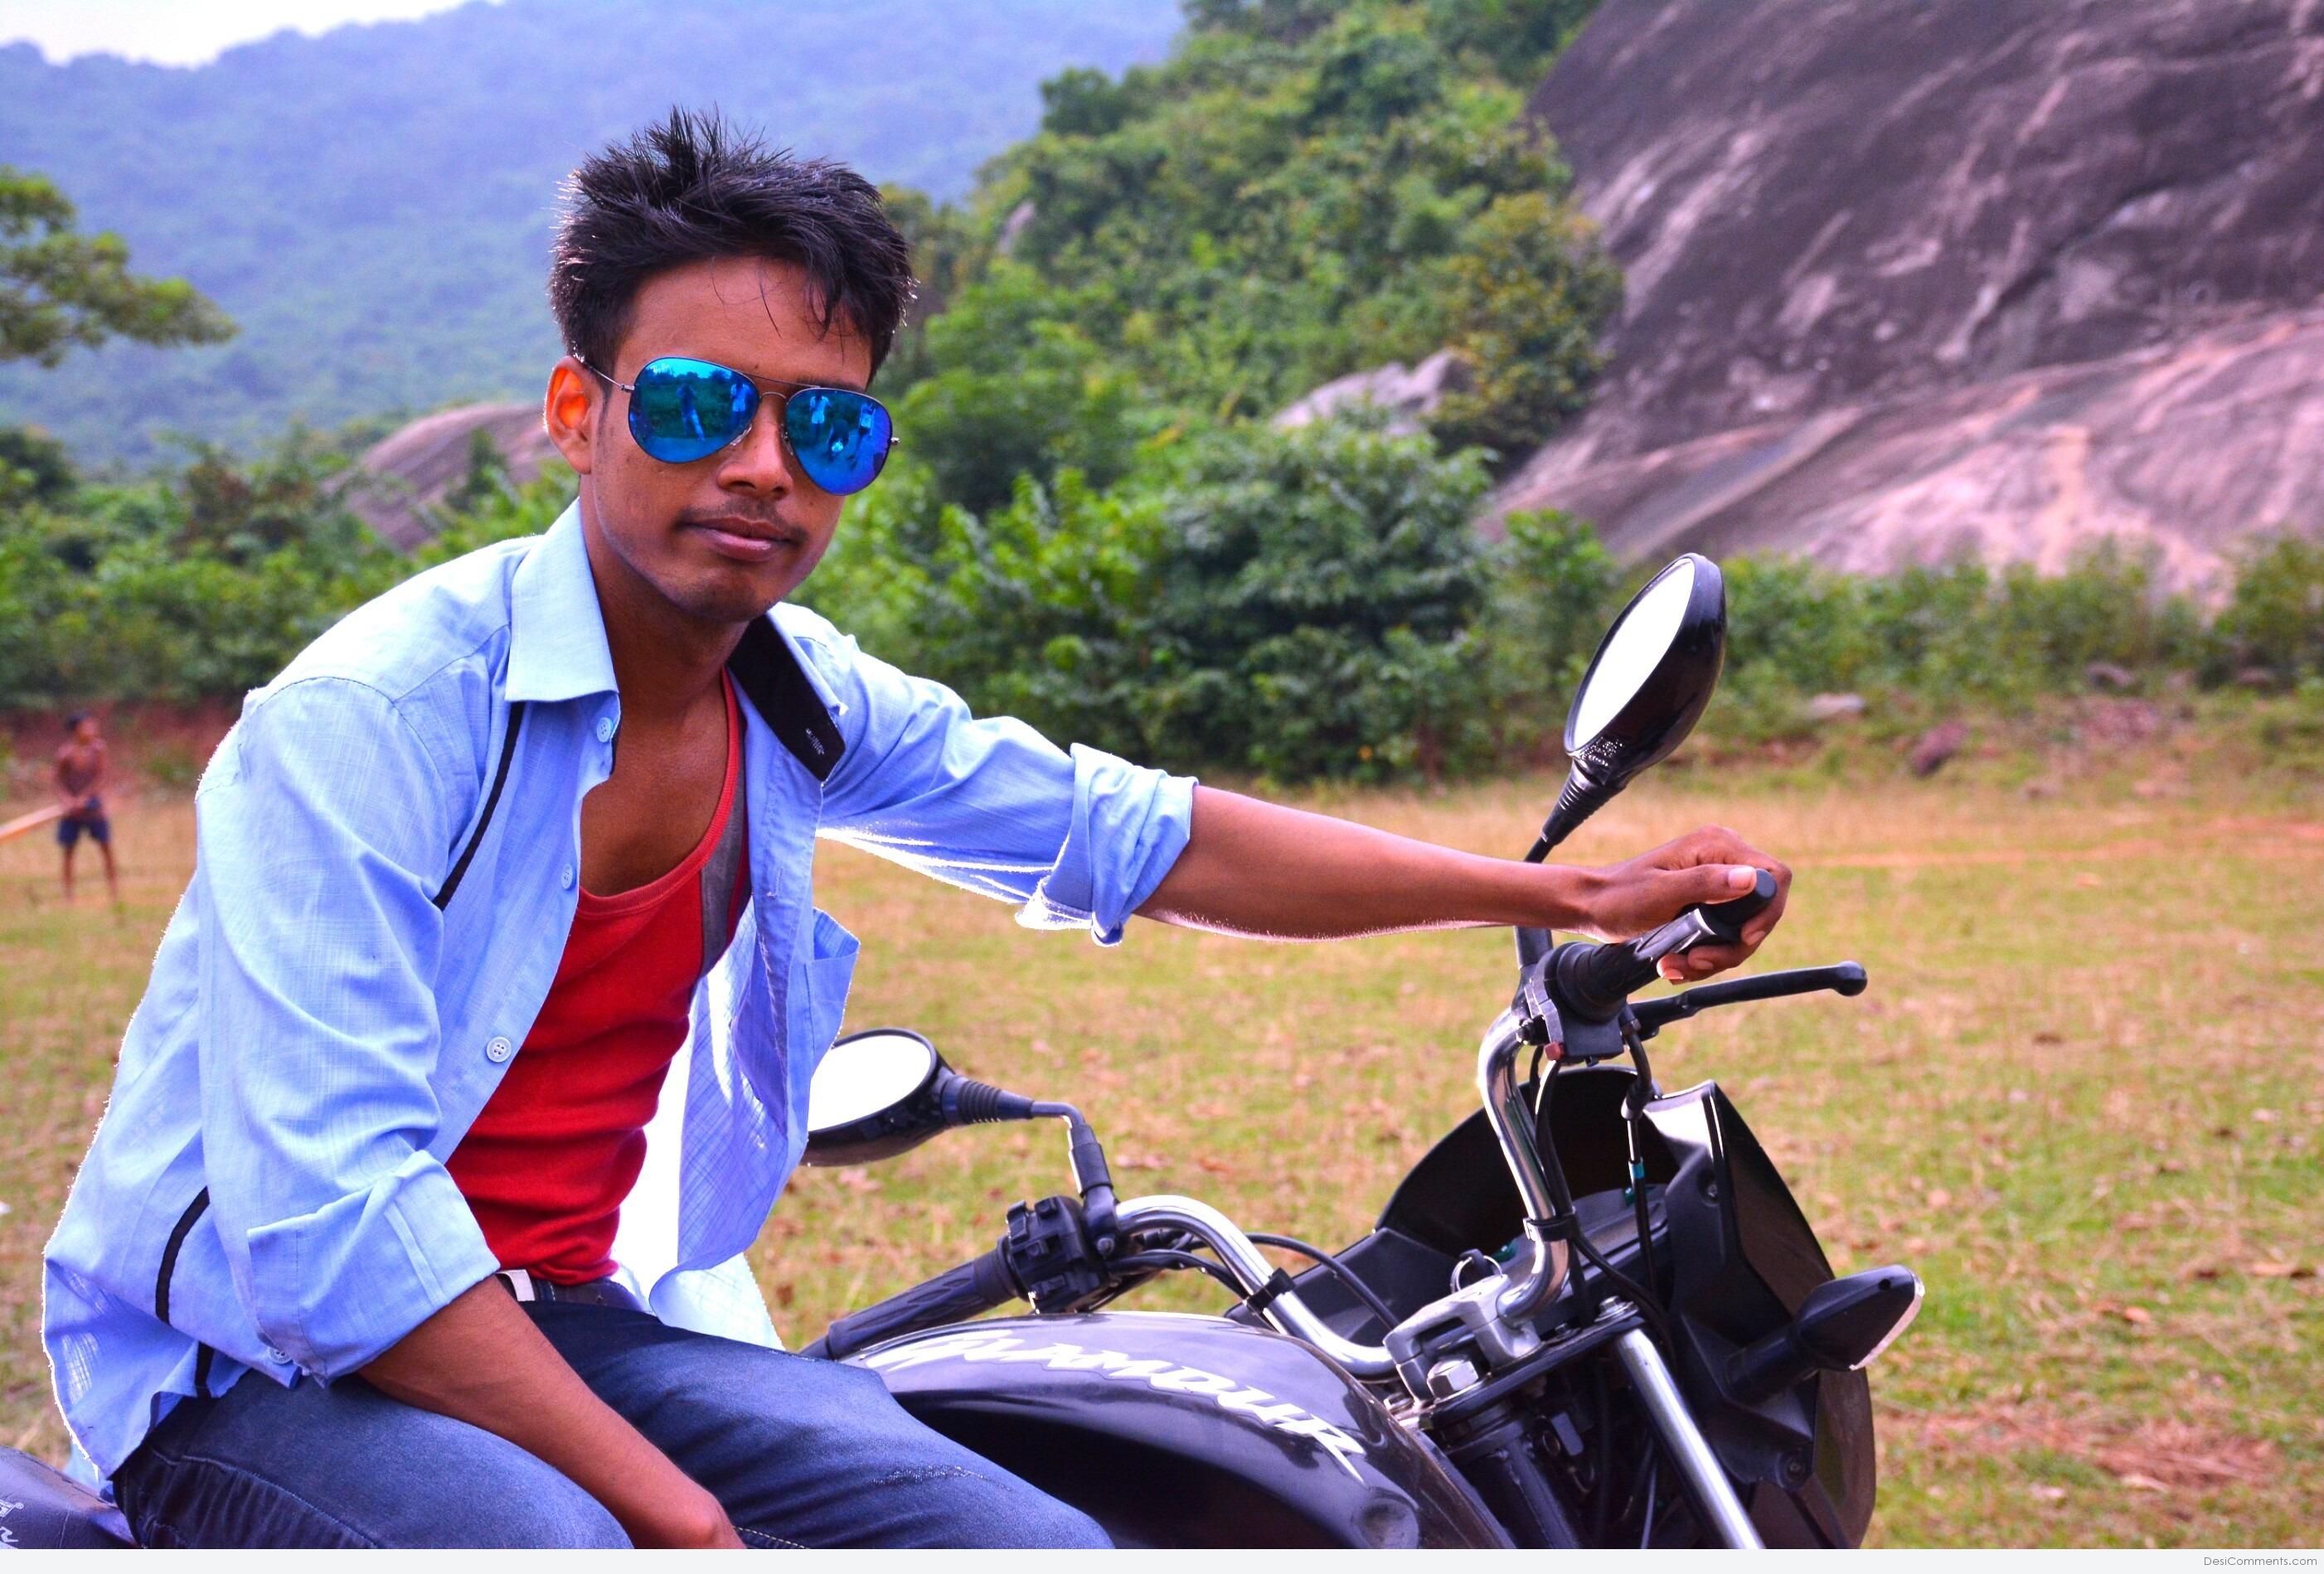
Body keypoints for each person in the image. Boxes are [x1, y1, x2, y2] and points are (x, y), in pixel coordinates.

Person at [41, 110, 1791, 1550]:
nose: (761, 464)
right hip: (252, 1366)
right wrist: (682, 1514)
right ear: (579, 414)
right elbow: (332, 1228)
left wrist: (1570, 885)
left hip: (566, 1317)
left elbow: (1130, 834)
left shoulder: (792, 695)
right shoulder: (374, 721)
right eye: (697, 403)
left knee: (1034, 1539)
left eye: (824, 423)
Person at [52, 710, 117, 903]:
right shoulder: (65, 754)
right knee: (69, 851)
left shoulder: (98, 749)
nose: (91, 729)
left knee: (105, 847)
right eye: (86, 727)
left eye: (92, 725)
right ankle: (69, 896)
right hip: (71, 810)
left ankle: (114, 892)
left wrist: (84, 798)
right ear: (75, 730)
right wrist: (68, 800)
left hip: (93, 807)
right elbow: (57, 781)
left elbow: (101, 777)